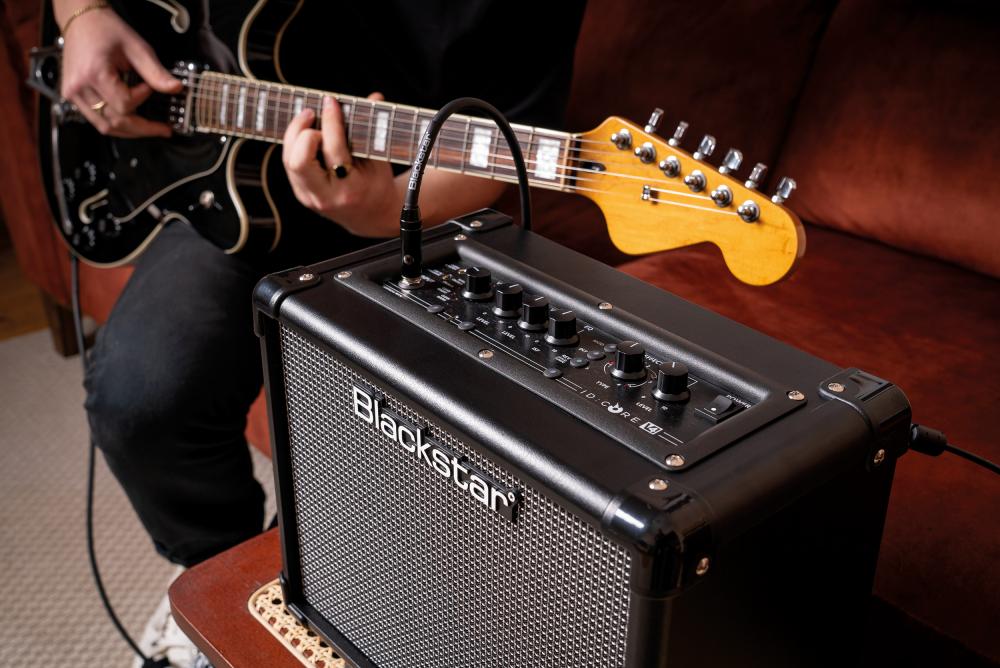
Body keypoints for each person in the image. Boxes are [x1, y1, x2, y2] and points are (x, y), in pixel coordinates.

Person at [52, 0, 585, 665]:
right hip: (219, 190)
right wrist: (80, 16)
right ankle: (219, 581)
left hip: (402, 212)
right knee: (140, 402)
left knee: (369, 455)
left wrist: (386, 211)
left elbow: (503, 144)